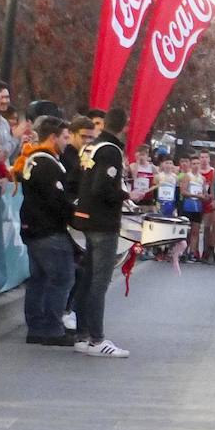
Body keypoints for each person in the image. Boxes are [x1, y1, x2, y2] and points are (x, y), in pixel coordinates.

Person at [71, 107, 130, 358]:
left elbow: (79, 181)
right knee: (99, 281)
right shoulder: (111, 151)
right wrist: (126, 195)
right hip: (103, 222)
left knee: (87, 278)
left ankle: (82, 334)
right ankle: (97, 339)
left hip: (85, 218)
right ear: (124, 126)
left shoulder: (89, 147)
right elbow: (102, 188)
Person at [16, 116, 77, 346]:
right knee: (61, 278)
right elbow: (56, 199)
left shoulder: (33, 159)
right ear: (52, 138)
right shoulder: (46, 163)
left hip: (35, 229)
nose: (66, 142)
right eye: (64, 137)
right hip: (48, 230)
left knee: (39, 280)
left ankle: (37, 327)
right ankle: (52, 328)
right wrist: (73, 214)